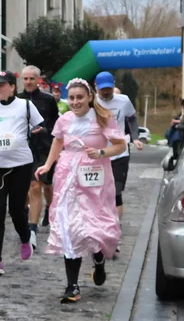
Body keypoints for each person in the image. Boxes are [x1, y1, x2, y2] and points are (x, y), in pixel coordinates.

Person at [35, 79, 126, 303]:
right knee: (70, 226)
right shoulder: (64, 119)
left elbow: (120, 145)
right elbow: (58, 142)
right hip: (68, 177)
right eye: (72, 98)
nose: (75, 102)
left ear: (89, 97)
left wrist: (101, 152)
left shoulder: (102, 118)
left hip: (95, 177)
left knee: (95, 227)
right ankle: (72, 286)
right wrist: (48, 164)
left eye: (80, 97)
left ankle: (98, 259)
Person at [0, 71, 43, 276]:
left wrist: (37, 132)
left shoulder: (26, 106)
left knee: (16, 210)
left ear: (12, 86)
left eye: (2, 84)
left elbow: (40, 127)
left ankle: (25, 238)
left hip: (21, 164)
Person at [93, 72, 144, 227]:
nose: (106, 92)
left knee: (116, 192)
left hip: (119, 153)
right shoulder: (90, 102)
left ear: (114, 85)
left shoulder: (124, 100)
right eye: (102, 89)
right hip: (97, 154)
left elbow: (132, 119)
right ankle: (100, 222)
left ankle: (113, 226)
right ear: (96, 87)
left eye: (109, 88)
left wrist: (135, 137)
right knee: (98, 192)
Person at [18, 65, 59, 248]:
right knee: (28, 189)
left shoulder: (48, 100)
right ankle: (29, 222)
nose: (28, 82)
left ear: (38, 80)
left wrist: (45, 131)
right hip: (22, 148)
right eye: (25, 79)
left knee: (39, 186)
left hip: (43, 149)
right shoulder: (17, 99)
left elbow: (56, 125)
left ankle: (34, 227)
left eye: (32, 79)